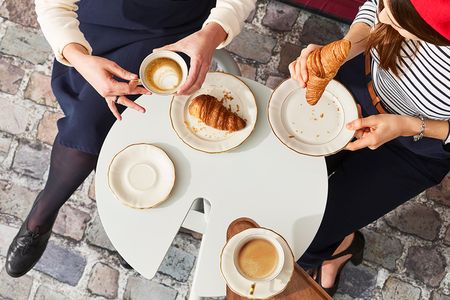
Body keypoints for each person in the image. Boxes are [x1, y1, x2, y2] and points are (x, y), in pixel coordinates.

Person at [6, 0, 256, 277]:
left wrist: (212, 33)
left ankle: (129, 218)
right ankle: (44, 212)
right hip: (97, 30)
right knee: (88, 124)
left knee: (151, 130)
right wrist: (79, 58)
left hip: (175, 33)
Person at [289, 0, 450, 296]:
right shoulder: (388, 12)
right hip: (356, 89)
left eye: (400, 19)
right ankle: (339, 244)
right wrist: (344, 49)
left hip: (416, 148)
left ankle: (331, 249)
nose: (383, 17)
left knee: (308, 235)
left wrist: (408, 126)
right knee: (286, 187)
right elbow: (374, 9)